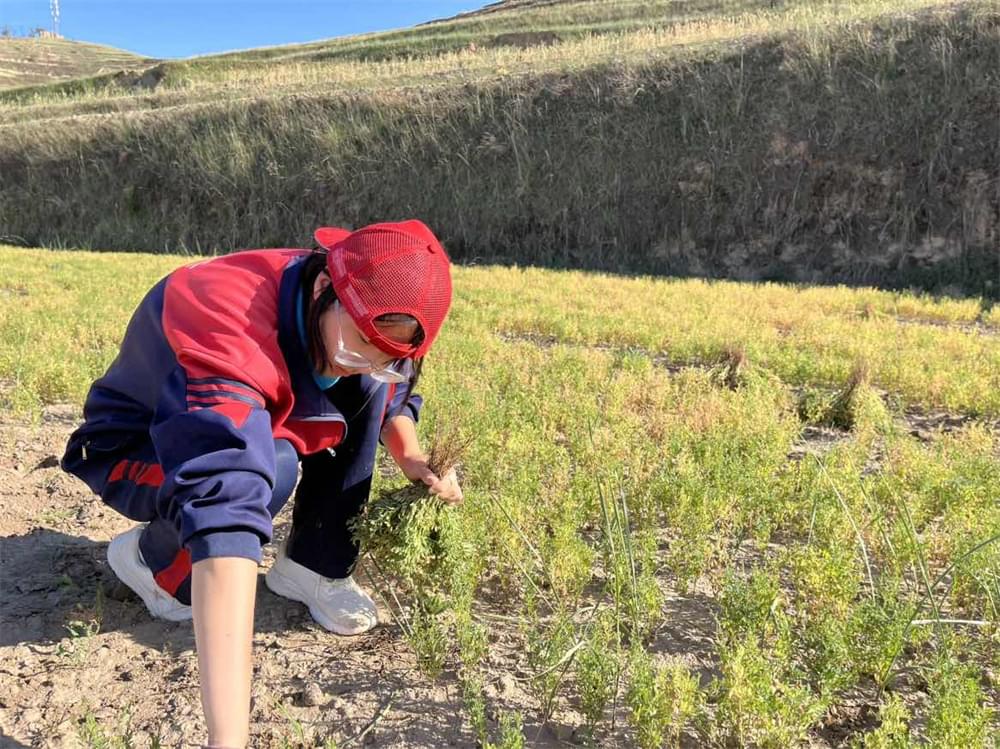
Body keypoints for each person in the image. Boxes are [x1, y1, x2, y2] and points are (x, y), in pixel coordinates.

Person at [60, 219, 463, 748]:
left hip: (262, 412)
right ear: (323, 288)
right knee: (271, 467)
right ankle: (155, 565)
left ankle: (314, 565)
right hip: (140, 445)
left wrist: (409, 453)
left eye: (390, 357)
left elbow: (390, 384)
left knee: (358, 384)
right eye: (363, 344)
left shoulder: (362, 305)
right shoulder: (225, 316)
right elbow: (223, 501)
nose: (372, 362)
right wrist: (228, 740)